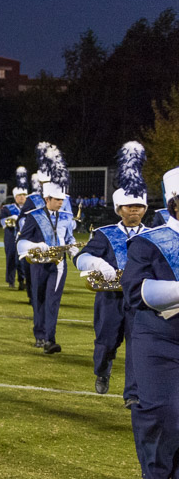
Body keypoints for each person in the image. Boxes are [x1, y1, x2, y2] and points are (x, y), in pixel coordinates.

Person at [121, 165, 179, 479]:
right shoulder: (149, 242)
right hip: (157, 336)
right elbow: (134, 290)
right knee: (160, 408)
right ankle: (155, 473)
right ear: (174, 203)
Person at [75, 142, 148, 403]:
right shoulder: (105, 233)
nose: (135, 210)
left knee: (138, 348)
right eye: (129, 206)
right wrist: (98, 265)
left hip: (142, 302)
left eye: (139, 206)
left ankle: (133, 394)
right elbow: (81, 257)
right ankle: (102, 370)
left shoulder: (154, 236)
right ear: (119, 209)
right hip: (110, 301)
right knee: (106, 344)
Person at [17, 145, 78, 354]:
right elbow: (21, 241)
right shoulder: (34, 216)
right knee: (39, 299)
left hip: (59, 264)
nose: (61, 203)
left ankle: (50, 339)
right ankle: (39, 334)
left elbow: (69, 237)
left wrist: (75, 252)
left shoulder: (67, 217)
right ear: (47, 199)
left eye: (62, 199)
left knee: (53, 300)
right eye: (57, 199)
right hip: (38, 263)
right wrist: (36, 246)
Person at [0, 169, 30, 290]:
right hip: (11, 237)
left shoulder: (30, 209)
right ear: (15, 197)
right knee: (11, 259)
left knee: (23, 260)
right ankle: (11, 281)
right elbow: (1, 220)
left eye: (23, 195)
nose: (22, 197)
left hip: (25, 238)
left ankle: (23, 280)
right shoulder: (7, 208)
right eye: (19, 196)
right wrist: (9, 220)